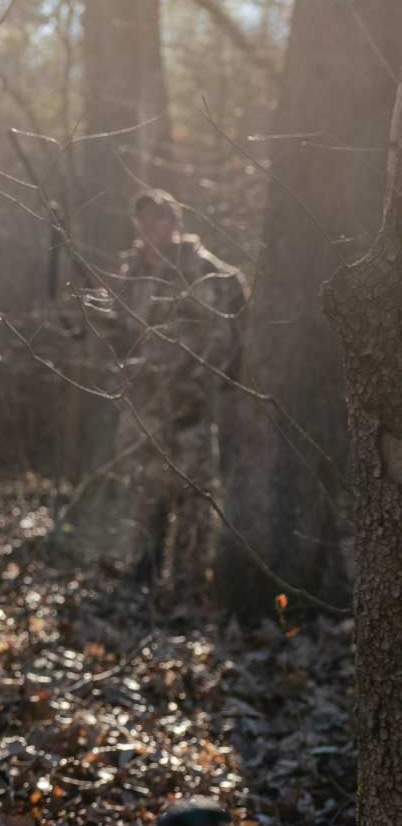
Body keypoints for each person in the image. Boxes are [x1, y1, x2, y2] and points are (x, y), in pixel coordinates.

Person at [110, 190, 248, 588]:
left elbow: (223, 336)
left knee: (193, 491)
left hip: (191, 403)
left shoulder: (202, 271)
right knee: (145, 486)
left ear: (175, 224)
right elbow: (119, 333)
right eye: (145, 221)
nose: (153, 229)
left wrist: (198, 386)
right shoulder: (131, 272)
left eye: (161, 220)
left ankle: (188, 581)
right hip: (144, 403)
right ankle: (142, 570)